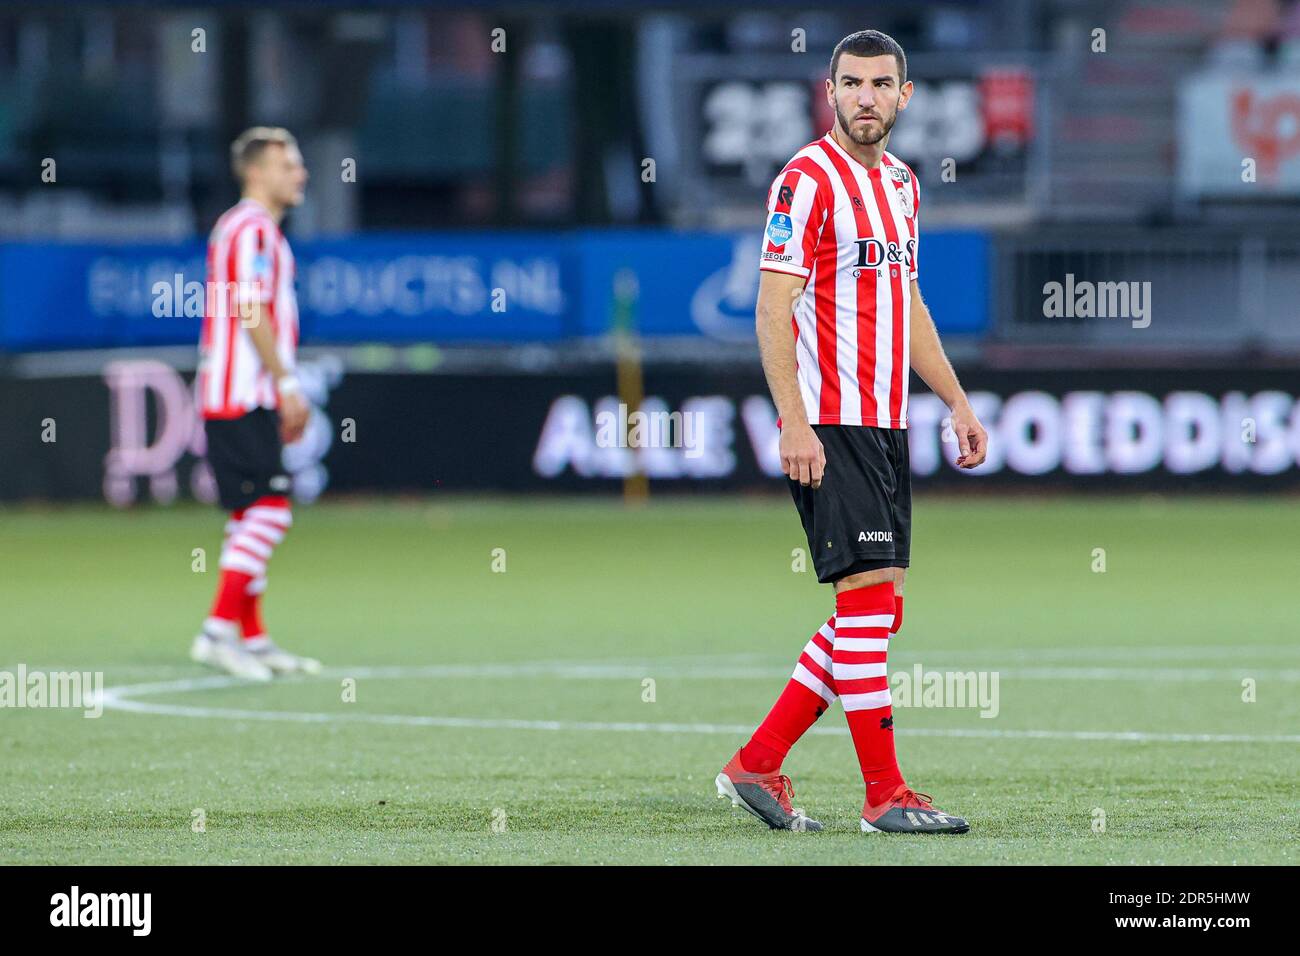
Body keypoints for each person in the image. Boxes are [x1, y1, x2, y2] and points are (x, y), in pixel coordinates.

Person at [715, 31, 988, 833]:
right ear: (828, 92)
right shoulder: (806, 180)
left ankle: (756, 764)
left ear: (905, 97)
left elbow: (907, 311)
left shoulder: (902, 185)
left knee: (875, 611)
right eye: (851, 83)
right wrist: (794, 424)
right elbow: (771, 309)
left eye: (881, 84)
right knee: (867, 605)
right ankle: (884, 795)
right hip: (829, 423)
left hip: (885, 422)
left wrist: (958, 403)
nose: (865, 96)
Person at [190, 127, 320, 681]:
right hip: (240, 393)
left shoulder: (260, 231)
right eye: (288, 164)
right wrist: (286, 384)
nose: (301, 173)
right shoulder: (250, 228)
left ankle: (255, 639)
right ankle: (217, 632)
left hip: (245, 392)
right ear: (256, 171)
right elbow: (248, 309)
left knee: (249, 514)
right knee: (270, 511)